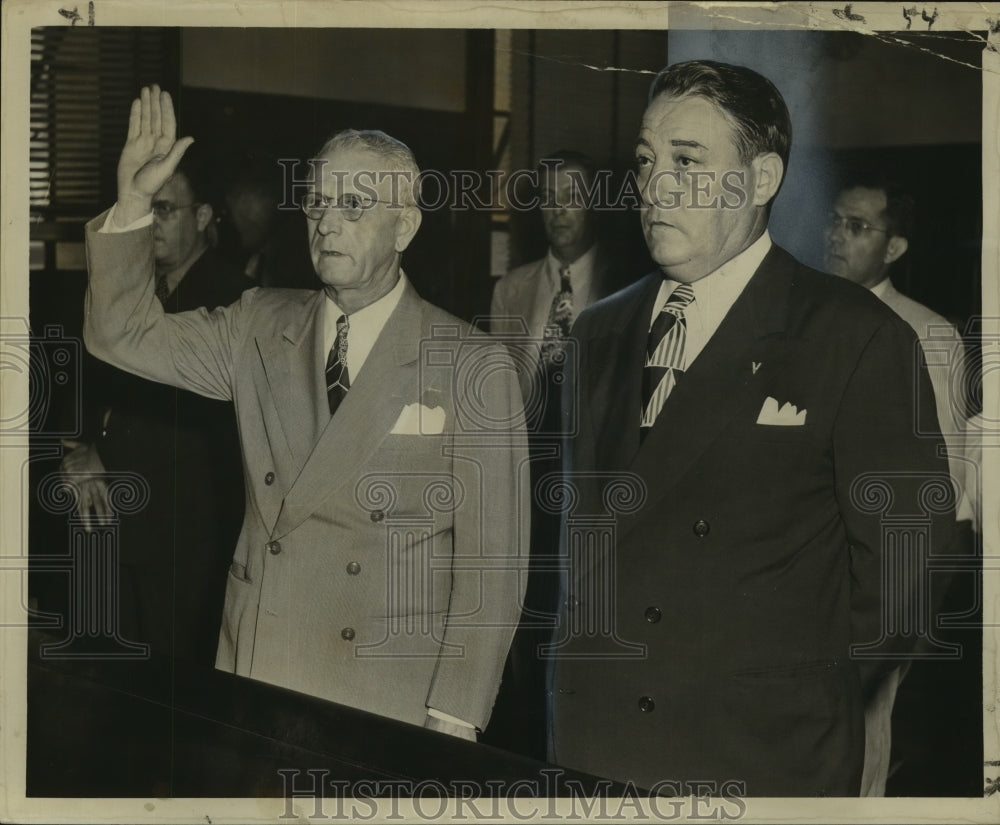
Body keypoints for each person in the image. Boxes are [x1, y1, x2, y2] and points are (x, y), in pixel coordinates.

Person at [549, 61, 958, 796]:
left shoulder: (853, 336)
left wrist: (792, 691)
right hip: (594, 750)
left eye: (687, 161)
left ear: (762, 177)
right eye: (646, 161)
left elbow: (906, 569)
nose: (656, 185)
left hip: (758, 758)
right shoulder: (596, 333)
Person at [83, 85, 528, 739]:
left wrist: (454, 719)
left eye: (353, 204)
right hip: (261, 670)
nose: (326, 222)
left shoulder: (472, 364)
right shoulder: (258, 323)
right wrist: (132, 202)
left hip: (386, 697)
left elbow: (494, 565)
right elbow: (120, 333)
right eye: (317, 201)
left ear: (405, 225)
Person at [59, 144, 248, 666]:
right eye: (145, 210)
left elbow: (198, 425)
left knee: (175, 693)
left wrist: (106, 461)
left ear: (203, 216)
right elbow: (84, 381)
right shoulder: (127, 290)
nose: (151, 222)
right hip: (112, 529)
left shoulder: (234, 298)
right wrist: (78, 449)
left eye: (163, 209)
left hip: (187, 536)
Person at [483, 150, 622, 758]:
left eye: (573, 193)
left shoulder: (630, 288)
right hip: (524, 485)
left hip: (595, 488)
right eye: (547, 196)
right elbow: (492, 399)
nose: (558, 209)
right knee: (527, 615)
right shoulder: (511, 290)